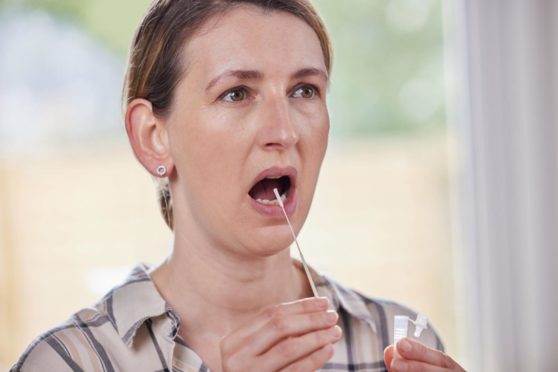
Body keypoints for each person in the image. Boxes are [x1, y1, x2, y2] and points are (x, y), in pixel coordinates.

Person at [11, 0, 466, 371]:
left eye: (304, 90)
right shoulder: (68, 363)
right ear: (153, 137)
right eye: (237, 94)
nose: (284, 132)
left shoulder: (394, 342)